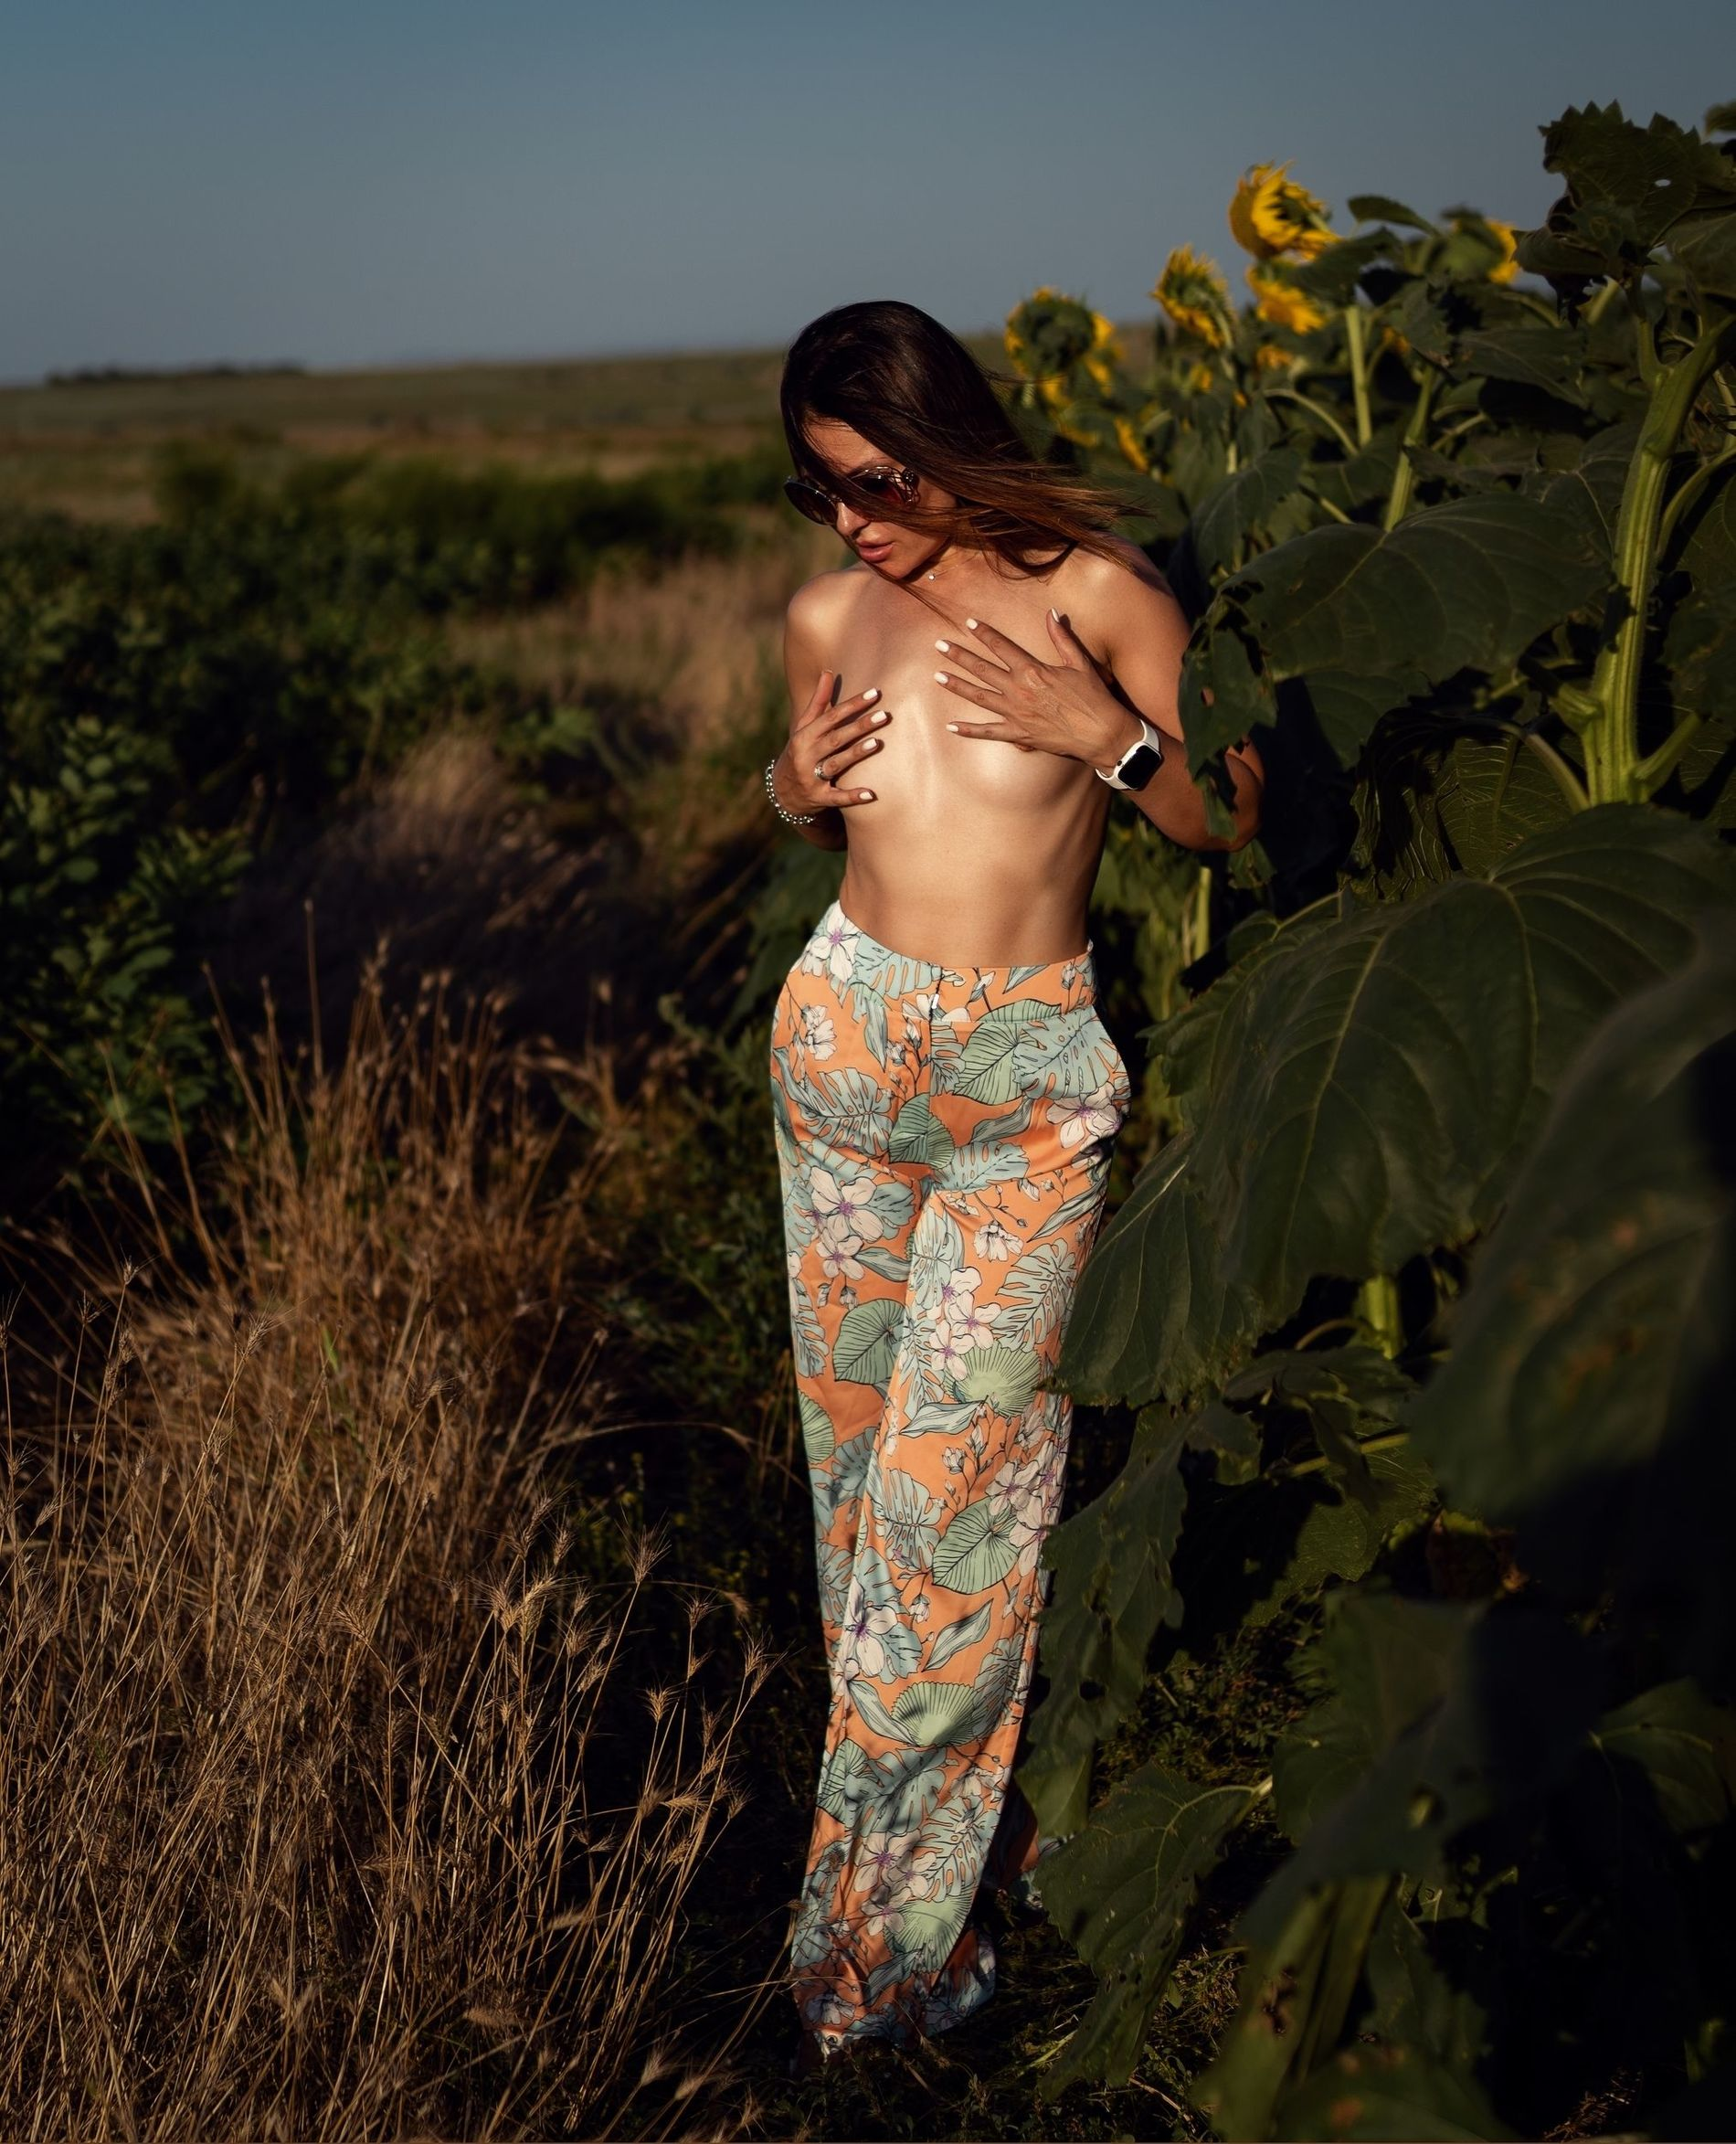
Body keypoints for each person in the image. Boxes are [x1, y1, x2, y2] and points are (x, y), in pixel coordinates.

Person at [765, 300, 1263, 2078]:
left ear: (945, 440)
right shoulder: (824, 615)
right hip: (837, 1059)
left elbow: (1231, 813)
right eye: (820, 488)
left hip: (1021, 1099)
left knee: (953, 1521)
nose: (852, 522)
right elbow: (827, 811)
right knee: (860, 1513)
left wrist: (1099, 729)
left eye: (877, 481)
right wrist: (781, 784)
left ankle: (872, 1968)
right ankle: (976, 1850)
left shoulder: (1100, 593)